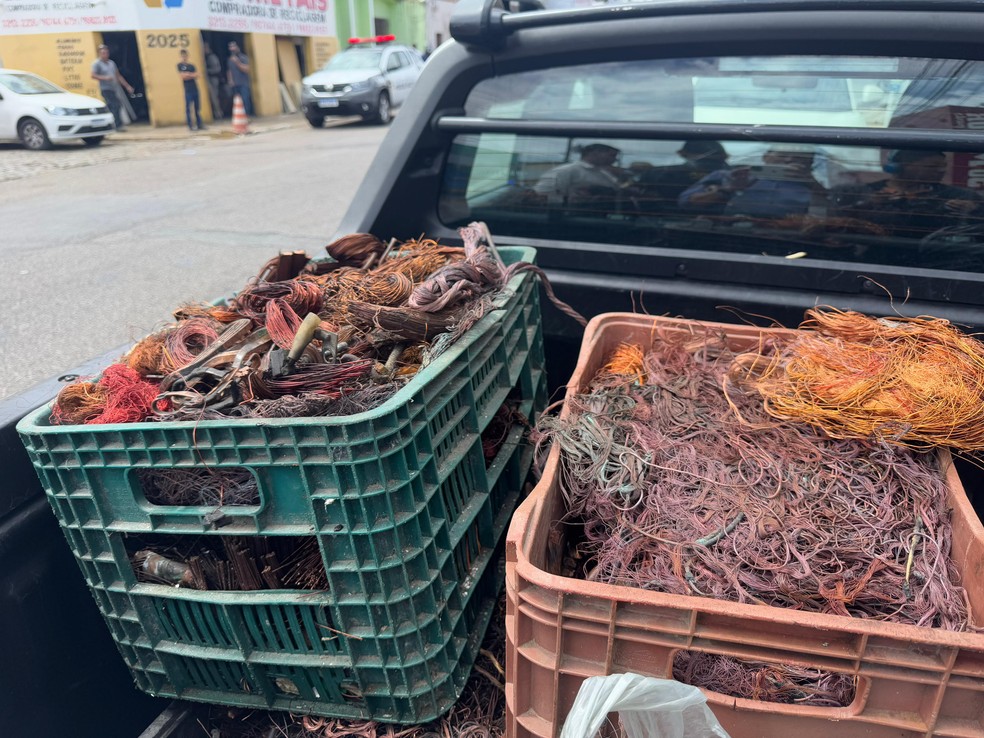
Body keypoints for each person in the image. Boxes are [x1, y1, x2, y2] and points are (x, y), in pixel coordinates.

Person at [832, 149, 984, 238]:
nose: (941, 171)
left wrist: (972, 211)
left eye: (943, 166)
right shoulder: (863, 192)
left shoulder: (959, 195)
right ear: (899, 167)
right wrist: (871, 204)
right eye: (932, 166)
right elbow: (838, 223)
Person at [679, 145, 826, 218]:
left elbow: (834, 217)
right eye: (783, 154)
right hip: (728, 236)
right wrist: (728, 189)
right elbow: (685, 204)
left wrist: (812, 184)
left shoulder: (816, 187)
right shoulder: (729, 176)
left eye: (799, 157)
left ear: (810, 163)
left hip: (789, 240)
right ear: (766, 156)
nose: (789, 160)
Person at [533, 143, 636, 213]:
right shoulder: (567, 170)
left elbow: (619, 191)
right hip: (575, 216)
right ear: (595, 153)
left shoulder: (604, 173)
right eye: (611, 155)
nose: (615, 159)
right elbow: (542, 195)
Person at [636, 140, 730, 216]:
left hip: (666, 228)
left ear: (682, 154)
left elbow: (638, 203)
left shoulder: (656, 173)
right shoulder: (739, 176)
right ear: (725, 156)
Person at [91, 44, 134, 130]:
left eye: (106, 52)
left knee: (112, 106)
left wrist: (127, 86)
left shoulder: (111, 63)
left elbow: (118, 76)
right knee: (115, 105)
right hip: (105, 89)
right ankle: (117, 125)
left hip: (114, 88)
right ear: (99, 53)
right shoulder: (97, 64)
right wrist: (105, 78)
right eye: (103, 53)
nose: (105, 54)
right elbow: (93, 75)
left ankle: (110, 125)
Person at [177, 50, 204, 132]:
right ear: (181, 57)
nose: (184, 57)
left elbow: (198, 75)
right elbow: (183, 76)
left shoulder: (191, 66)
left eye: (185, 56)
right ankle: (190, 125)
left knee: (197, 108)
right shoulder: (180, 65)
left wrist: (188, 74)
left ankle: (199, 124)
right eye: (183, 56)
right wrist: (191, 75)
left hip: (195, 88)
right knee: (188, 108)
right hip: (187, 90)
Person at [227, 41, 253, 116]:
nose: (232, 48)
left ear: (238, 47)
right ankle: (239, 117)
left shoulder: (243, 58)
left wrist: (237, 62)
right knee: (237, 102)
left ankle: (247, 116)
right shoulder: (230, 60)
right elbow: (229, 70)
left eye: (233, 46)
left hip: (243, 83)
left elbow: (247, 69)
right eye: (230, 47)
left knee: (245, 100)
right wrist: (230, 80)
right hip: (235, 84)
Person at [203, 42, 223, 120]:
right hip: (211, 79)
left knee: (214, 97)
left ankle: (218, 113)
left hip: (213, 79)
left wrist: (206, 71)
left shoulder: (211, 57)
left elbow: (217, 69)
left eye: (205, 48)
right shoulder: (207, 57)